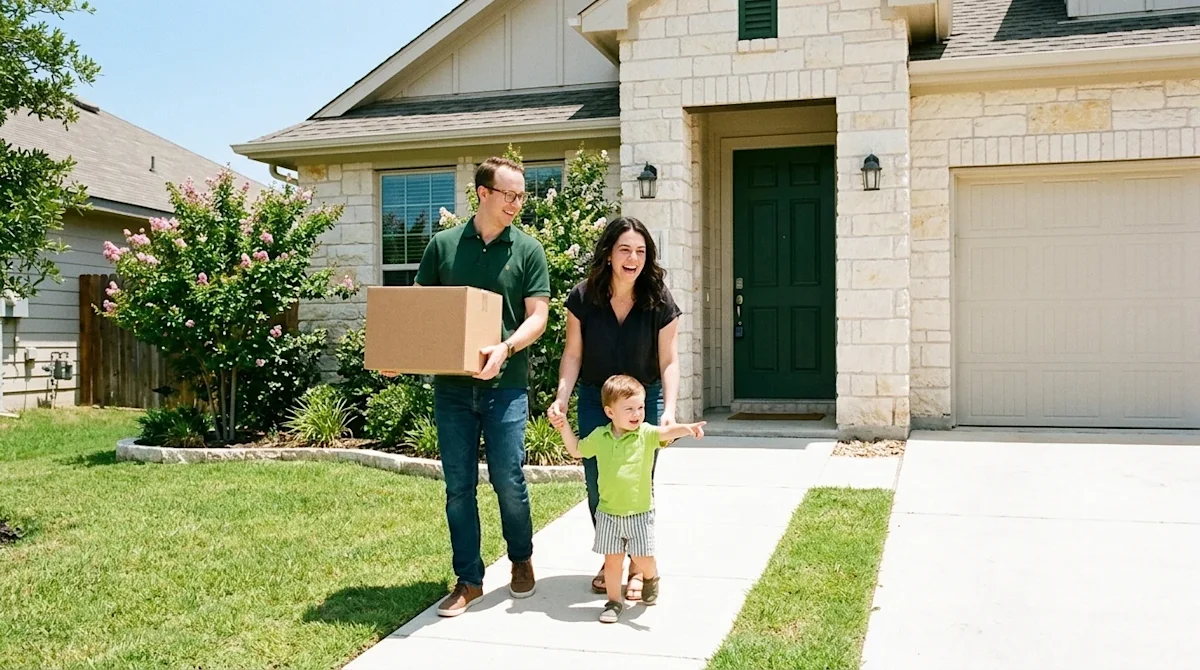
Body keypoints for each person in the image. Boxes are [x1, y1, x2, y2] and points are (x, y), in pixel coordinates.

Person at [385, 156, 551, 618]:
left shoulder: (528, 250)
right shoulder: (443, 246)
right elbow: (420, 311)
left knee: (508, 480)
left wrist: (506, 348)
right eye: (509, 195)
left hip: (506, 386)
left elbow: (538, 316)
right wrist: (399, 354)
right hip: (453, 390)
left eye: (521, 196)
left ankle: (521, 557)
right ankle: (469, 579)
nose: (517, 203)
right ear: (483, 193)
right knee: (458, 486)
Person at [546, 216, 681, 601]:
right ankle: (613, 559)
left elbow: (669, 360)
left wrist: (669, 410)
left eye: (640, 251)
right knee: (598, 484)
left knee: (637, 484)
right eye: (624, 250)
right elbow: (573, 354)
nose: (632, 258)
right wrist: (562, 396)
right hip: (596, 400)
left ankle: (639, 565)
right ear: (609, 254)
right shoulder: (583, 297)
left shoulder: (659, 299)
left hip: (642, 400)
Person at [550, 374, 705, 623]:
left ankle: (651, 576)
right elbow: (576, 450)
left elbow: (666, 431)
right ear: (610, 412)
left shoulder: (646, 434)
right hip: (608, 512)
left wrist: (686, 429)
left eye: (640, 407)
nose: (637, 414)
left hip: (639, 512)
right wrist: (563, 427)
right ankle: (613, 602)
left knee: (643, 559)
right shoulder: (600, 437)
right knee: (612, 562)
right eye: (629, 409)